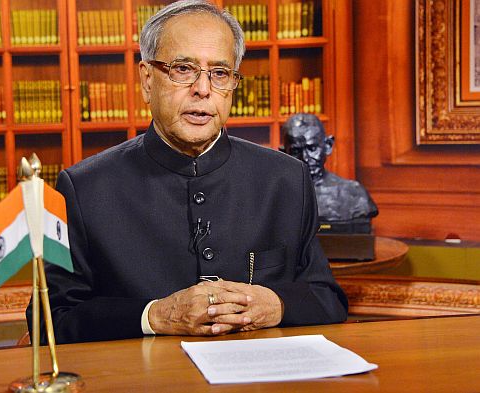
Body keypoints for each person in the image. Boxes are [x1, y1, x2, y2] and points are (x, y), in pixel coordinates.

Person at [27, 0, 348, 344]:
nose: (203, 89)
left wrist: (278, 304)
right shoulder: (84, 188)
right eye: (183, 69)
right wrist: (154, 316)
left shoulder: (286, 180)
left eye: (220, 73)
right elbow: (51, 320)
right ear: (147, 80)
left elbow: (327, 297)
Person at [282, 114, 378, 224]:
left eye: (312, 148)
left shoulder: (355, 194)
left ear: (328, 145)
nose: (305, 158)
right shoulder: (276, 196)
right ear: (284, 154)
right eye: (295, 151)